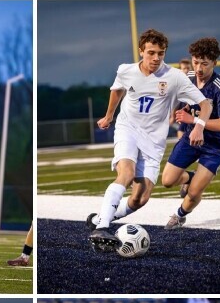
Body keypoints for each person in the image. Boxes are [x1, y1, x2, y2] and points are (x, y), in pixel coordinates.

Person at [87, 28, 211, 252]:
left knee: (140, 199)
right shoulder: (126, 70)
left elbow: (206, 104)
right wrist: (109, 116)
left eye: (161, 53)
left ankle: (100, 218)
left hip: (154, 141)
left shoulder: (174, 77)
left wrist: (199, 127)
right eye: (151, 52)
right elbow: (117, 91)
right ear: (141, 51)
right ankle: (102, 227)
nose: (156, 58)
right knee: (126, 173)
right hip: (128, 129)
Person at [161, 37, 220, 229]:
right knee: (167, 181)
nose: (199, 68)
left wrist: (193, 120)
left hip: (215, 146)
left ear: (214, 63)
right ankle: (191, 176)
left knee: (193, 194)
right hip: (191, 138)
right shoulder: (189, 77)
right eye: (196, 62)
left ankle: (179, 215)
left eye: (204, 63)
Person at [175, 58, 192, 141]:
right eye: (184, 68)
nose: (186, 71)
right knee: (181, 131)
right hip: (183, 112)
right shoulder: (177, 83)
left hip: (195, 113)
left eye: (188, 68)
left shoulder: (195, 81)